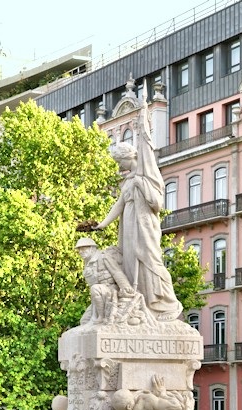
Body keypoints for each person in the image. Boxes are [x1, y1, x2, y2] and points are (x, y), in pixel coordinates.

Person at [94, 90, 182, 322]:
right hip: (130, 229)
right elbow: (119, 205)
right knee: (132, 264)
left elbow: (157, 203)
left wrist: (142, 184)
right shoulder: (128, 181)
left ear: (129, 157)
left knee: (151, 260)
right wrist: (102, 225)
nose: (119, 166)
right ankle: (142, 301)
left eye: (120, 161)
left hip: (145, 226)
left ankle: (164, 303)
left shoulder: (147, 175)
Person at [75, 238, 134, 324]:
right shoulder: (87, 264)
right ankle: (97, 318)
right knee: (84, 321)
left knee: (95, 289)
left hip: (110, 290)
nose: (80, 252)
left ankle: (102, 318)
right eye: (79, 249)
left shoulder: (104, 257)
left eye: (83, 249)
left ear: (91, 248)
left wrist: (126, 287)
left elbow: (116, 272)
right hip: (98, 296)